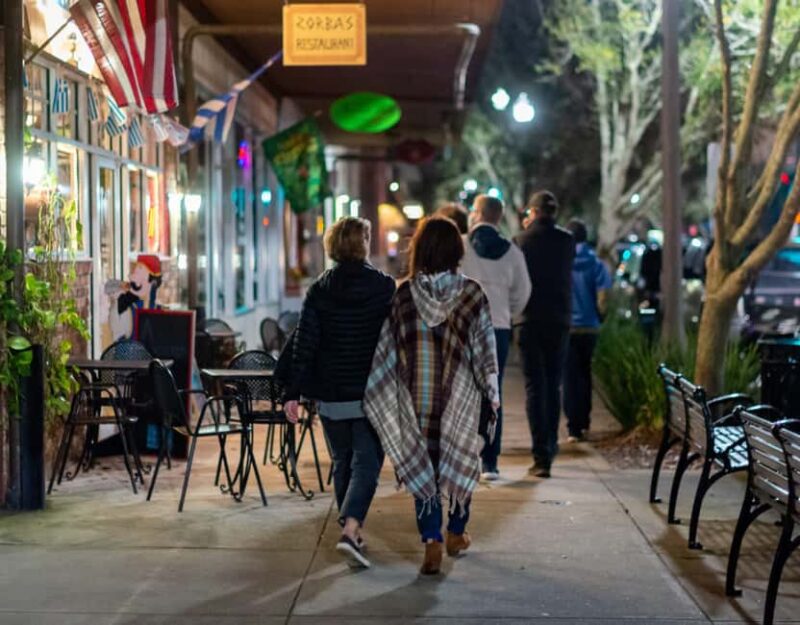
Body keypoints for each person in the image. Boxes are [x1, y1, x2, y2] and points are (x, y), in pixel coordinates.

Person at [364, 217, 499, 575]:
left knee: (423, 465)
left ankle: (431, 540)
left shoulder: (404, 295)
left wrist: (386, 389)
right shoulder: (472, 293)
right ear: (456, 250)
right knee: (460, 459)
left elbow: (388, 351)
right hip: (462, 399)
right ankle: (455, 531)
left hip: (416, 399)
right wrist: (492, 393)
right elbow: (486, 350)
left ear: (420, 250)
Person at [278, 217, 396, 569]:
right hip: (370, 393)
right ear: (364, 244)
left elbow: (304, 343)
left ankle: (350, 529)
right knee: (368, 462)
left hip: (330, 395)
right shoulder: (384, 287)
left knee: (343, 460)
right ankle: (351, 529)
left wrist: (292, 392)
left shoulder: (319, 289)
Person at [460, 194, 531, 480]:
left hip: (466, 327)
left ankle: (464, 455)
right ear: (499, 217)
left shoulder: (461, 246)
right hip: (498, 327)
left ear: (477, 213)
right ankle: (490, 461)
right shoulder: (513, 252)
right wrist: (506, 313)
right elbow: (523, 291)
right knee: (493, 393)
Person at [515, 190, 575, 478]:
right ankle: (551, 443)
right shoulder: (567, 240)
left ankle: (541, 454)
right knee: (553, 384)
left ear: (533, 212)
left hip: (529, 319)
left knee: (534, 386)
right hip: (559, 319)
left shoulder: (520, 240)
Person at [563, 219, 612, 442]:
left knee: (569, 375)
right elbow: (604, 297)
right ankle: (584, 420)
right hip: (590, 327)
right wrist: (600, 316)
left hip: (568, 327)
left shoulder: (563, 261)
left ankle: (573, 426)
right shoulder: (596, 263)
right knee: (585, 374)